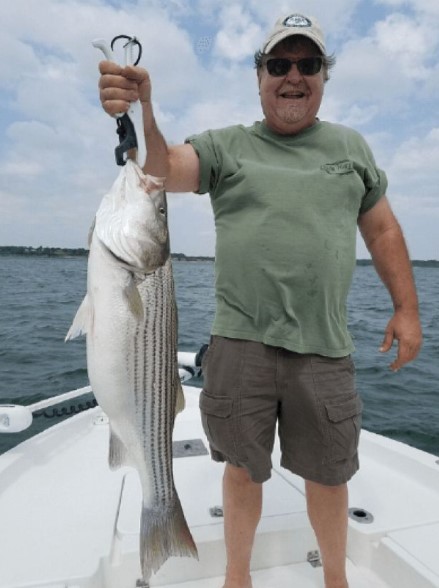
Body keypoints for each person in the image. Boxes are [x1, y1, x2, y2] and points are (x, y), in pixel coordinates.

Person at [98, 13, 422, 588]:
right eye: (279, 64)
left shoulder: (352, 148)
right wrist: (141, 109)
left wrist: (407, 309)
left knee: (329, 474)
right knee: (243, 472)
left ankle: (336, 579)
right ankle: (238, 577)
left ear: (324, 75)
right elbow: (161, 169)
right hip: (239, 345)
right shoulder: (229, 145)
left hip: (324, 347)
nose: (293, 76)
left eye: (308, 64)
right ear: (259, 75)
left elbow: (383, 232)